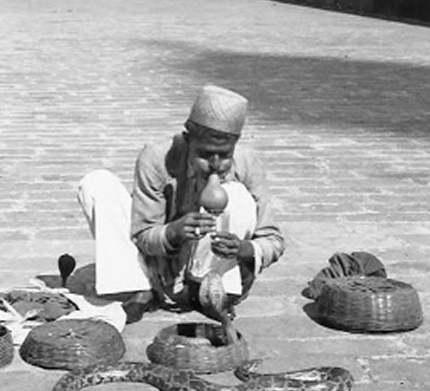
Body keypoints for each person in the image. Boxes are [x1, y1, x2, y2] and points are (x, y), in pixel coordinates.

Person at [78, 84, 285, 322]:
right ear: (188, 141)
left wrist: (244, 249)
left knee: (235, 194)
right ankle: (140, 287)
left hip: (214, 275)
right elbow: (142, 234)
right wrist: (173, 232)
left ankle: (213, 294)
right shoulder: (156, 158)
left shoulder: (247, 163)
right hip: (159, 267)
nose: (216, 164)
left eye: (225, 155)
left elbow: (274, 240)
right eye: (205, 154)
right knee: (97, 184)